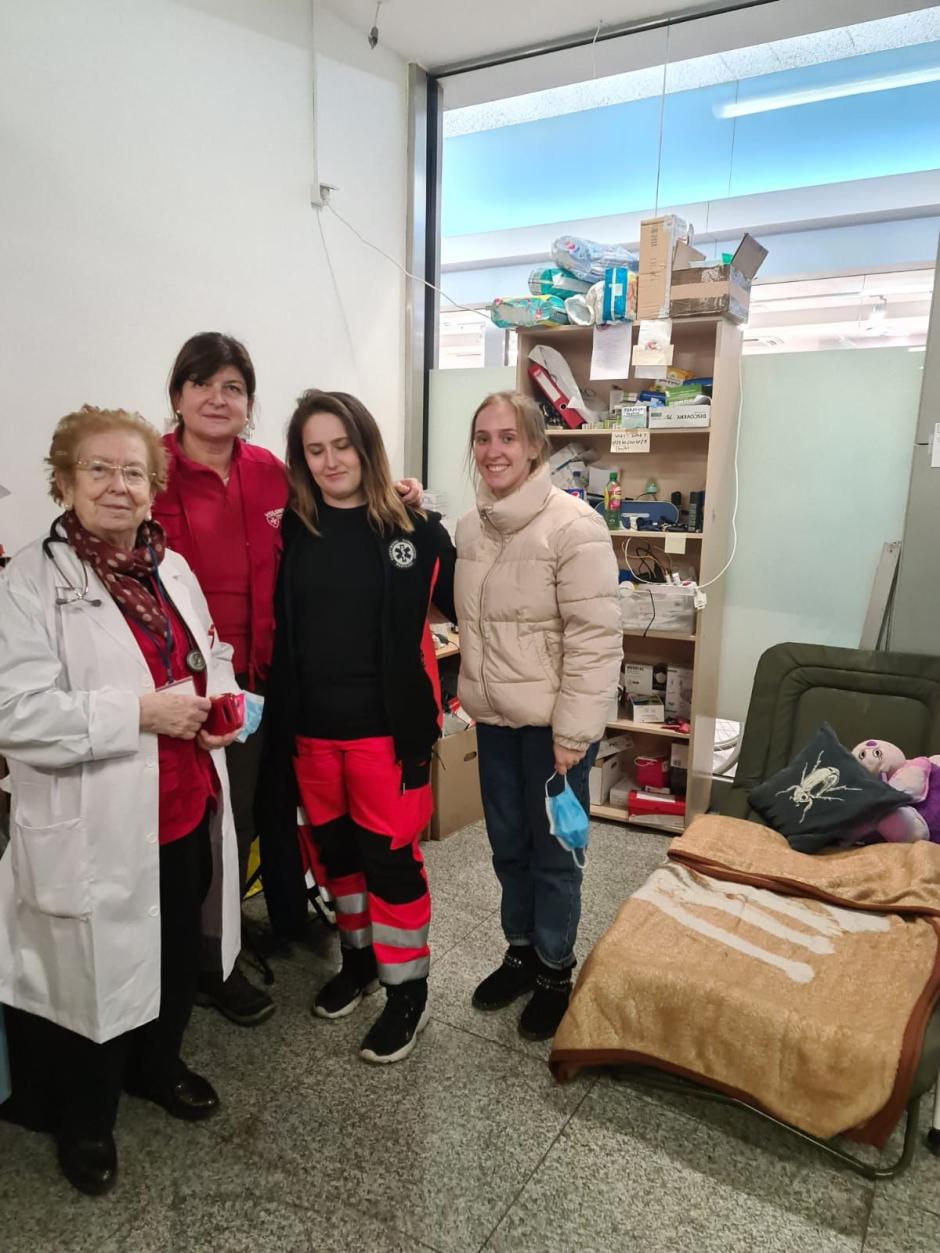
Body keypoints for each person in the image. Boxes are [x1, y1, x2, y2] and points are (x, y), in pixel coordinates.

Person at [0, 406, 242, 1196]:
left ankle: (158, 1066)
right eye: (98, 469)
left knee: (172, 955)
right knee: (90, 971)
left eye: (133, 471)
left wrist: (221, 705)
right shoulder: (30, 580)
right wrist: (139, 713)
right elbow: (14, 711)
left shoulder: (169, 568)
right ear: (64, 481)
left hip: (180, 805)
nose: (118, 485)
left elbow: (211, 655)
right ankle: (86, 1119)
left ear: (152, 487)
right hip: (93, 819)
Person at [154, 333, 423, 1026]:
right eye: (202, 384)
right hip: (186, 694)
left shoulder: (273, 473)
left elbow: (353, 514)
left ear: (249, 402)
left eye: (234, 387)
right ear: (177, 394)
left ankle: (347, 955)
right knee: (210, 834)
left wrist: (398, 499)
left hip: (278, 693)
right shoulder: (149, 473)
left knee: (276, 826)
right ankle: (205, 964)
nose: (218, 398)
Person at [257, 389, 456, 1064]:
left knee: (389, 860)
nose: (331, 459)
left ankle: (408, 993)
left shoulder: (415, 529)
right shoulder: (289, 530)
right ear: (301, 459)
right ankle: (360, 959)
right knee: (335, 857)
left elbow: (476, 601)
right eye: (316, 449)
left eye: (342, 444)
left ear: (366, 446)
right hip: (311, 732)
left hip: (387, 734)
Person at [454, 391, 622, 1041]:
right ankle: (519, 951)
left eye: (507, 437)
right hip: (495, 724)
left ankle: (555, 969)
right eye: (482, 437)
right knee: (508, 849)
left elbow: (595, 639)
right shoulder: (471, 528)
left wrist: (574, 733)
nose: (493, 450)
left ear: (534, 447)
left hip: (553, 733)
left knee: (557, 854)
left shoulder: (573, 525)